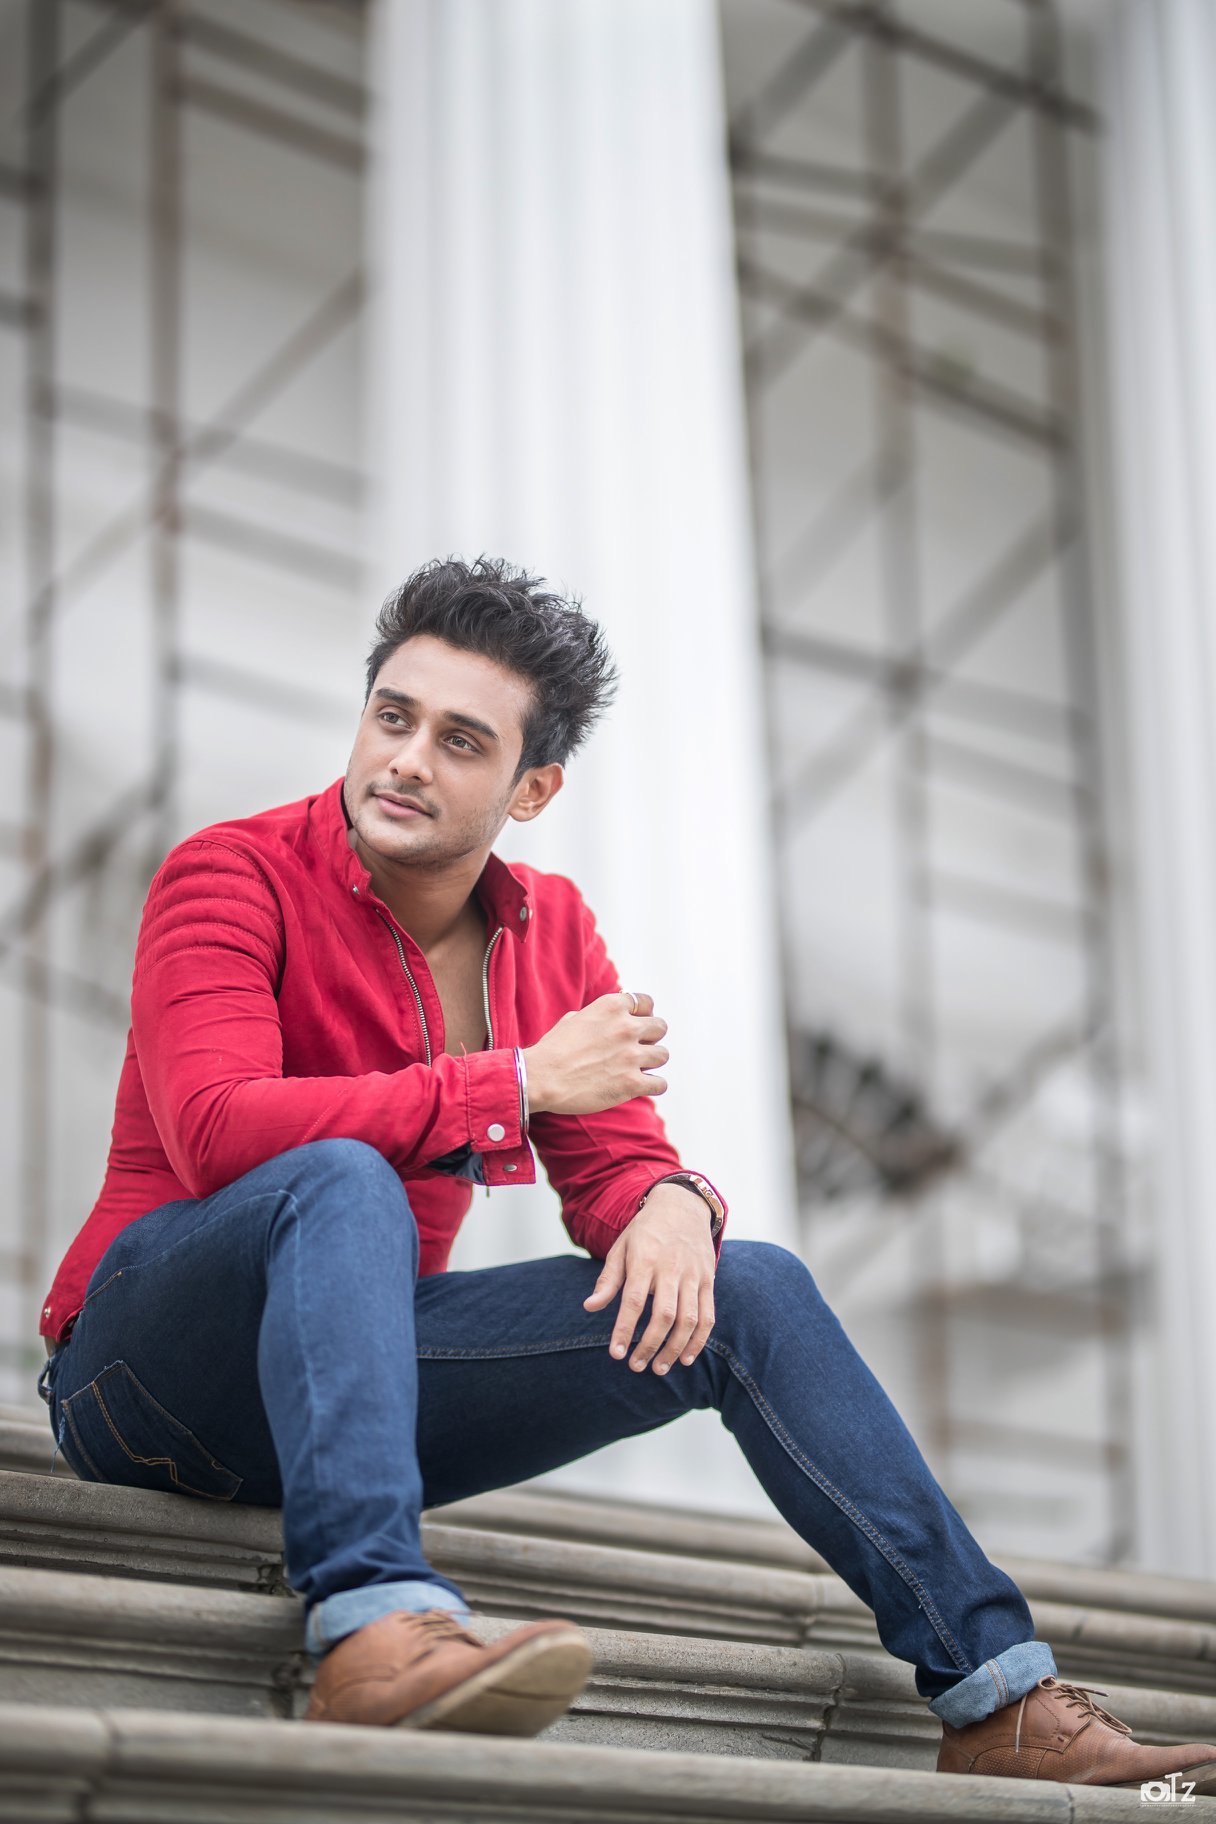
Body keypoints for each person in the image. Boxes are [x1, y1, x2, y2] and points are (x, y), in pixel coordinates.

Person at [34, 557, 1216, 1788]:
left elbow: (617, 1166)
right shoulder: (229, 873)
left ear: (531, 787)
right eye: (392, 717)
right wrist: (515, 1083)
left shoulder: (548, 932)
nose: (405, 761)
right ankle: (373, 1626)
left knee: (750, 1284)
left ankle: (998, 1700)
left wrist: (671, 1206)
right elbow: (218, 1129)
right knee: (340, 1178)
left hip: (343, 1386)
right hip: (143, 1377)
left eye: (459, 740)